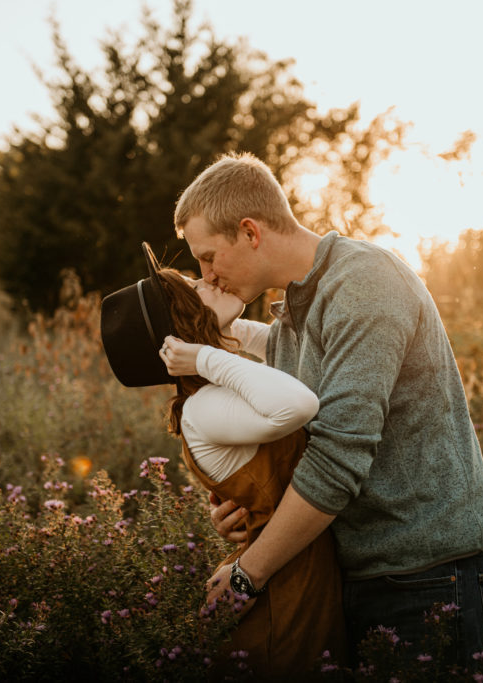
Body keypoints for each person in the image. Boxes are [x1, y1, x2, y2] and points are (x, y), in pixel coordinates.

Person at [171, 152, 483, 666]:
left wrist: (248, 574)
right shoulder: (290, 321)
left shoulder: (365, 282)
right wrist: (247, 510)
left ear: (250, 232)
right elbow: (288, 444)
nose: (207, 275)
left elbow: (337, 458)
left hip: (431, 577)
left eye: (210, 257)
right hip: (359, 574)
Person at [99, 245, 346, 677]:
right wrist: (206, 355)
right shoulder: (204, 407)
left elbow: (302, 363)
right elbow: (300, 401)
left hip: (303, 576)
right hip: (282, 600)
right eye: (195, 287)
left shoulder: (216, 392)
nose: (208, 279)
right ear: (182, 326)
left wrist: (221, 341)